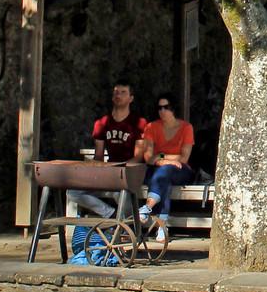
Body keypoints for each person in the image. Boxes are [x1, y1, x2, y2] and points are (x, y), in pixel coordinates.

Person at [69, 81, 146, 219]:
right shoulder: (102, 123)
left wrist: (121, 168)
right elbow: (99, 155)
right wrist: (89, 170)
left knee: (120, 193)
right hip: (109, 172)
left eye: (123, 93)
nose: (119, 95)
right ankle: (110, 214)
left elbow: (139, 156)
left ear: (131, 98)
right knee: (73, 192)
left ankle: (130, 224)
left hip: (130, 171)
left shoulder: (139, 122)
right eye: (116, 92)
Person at [138, 95, 195, 242]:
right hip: (157, 170)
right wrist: (163, 161)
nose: (162, 111)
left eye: (166, 107)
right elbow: (148, 157)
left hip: (180, 170)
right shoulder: (151, 127)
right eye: (159, 108)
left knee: (164, 173)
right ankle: (162, 227)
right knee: (164, 181)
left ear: (173, 108)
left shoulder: (186, 128)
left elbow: (183, 158)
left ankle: (148, 206)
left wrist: (161, 157)